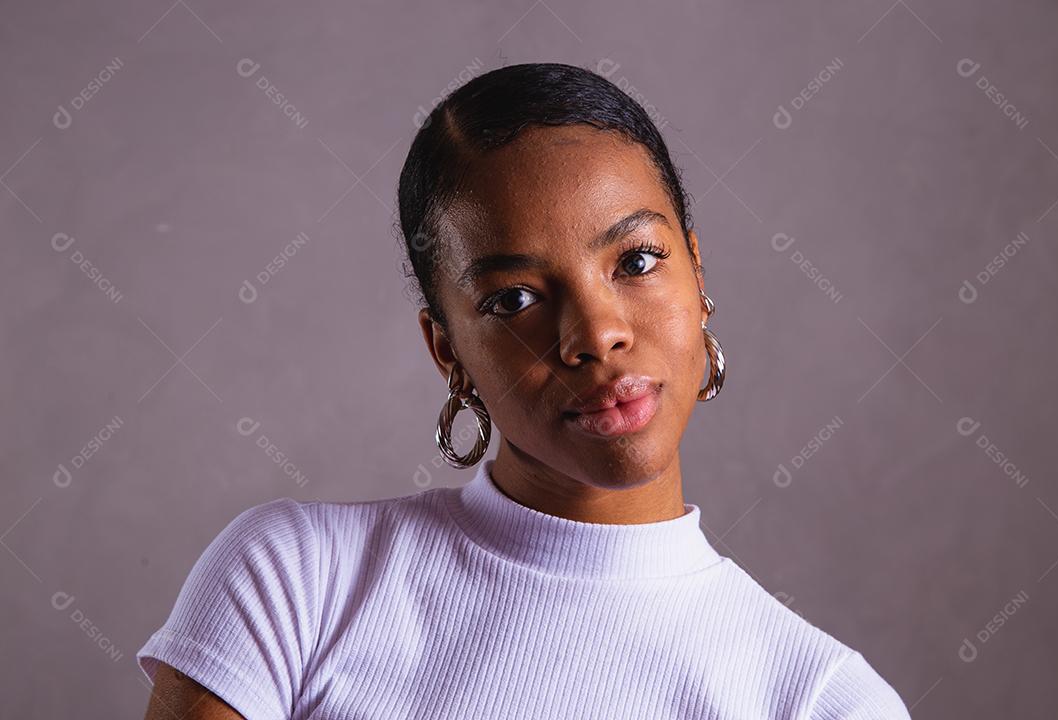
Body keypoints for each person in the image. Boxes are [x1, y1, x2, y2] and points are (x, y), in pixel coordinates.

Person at [137, 62, 911, 719]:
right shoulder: (294, 580)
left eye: (637, 262)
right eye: (513, 299)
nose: (595, 334)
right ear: (450, 353)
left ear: (697, 274)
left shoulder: (817, 700)